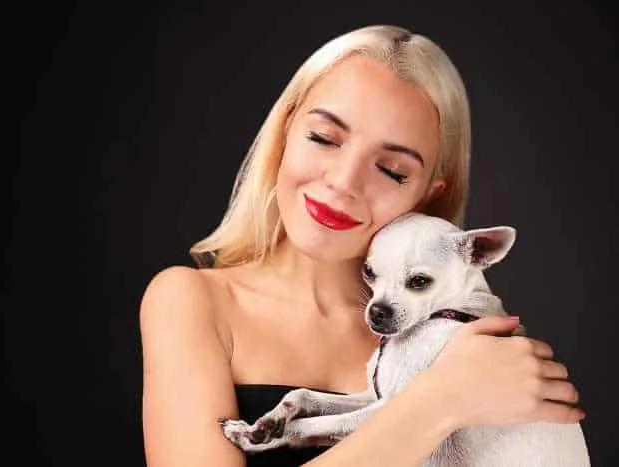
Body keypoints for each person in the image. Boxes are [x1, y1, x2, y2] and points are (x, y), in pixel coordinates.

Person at [140, 25, 584, 466]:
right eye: (324, 138)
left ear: (426, 196)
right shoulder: (192, 301)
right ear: (284, 135)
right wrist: (439, 401)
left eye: (392, 170)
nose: (344, 182)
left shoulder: (455, 332)